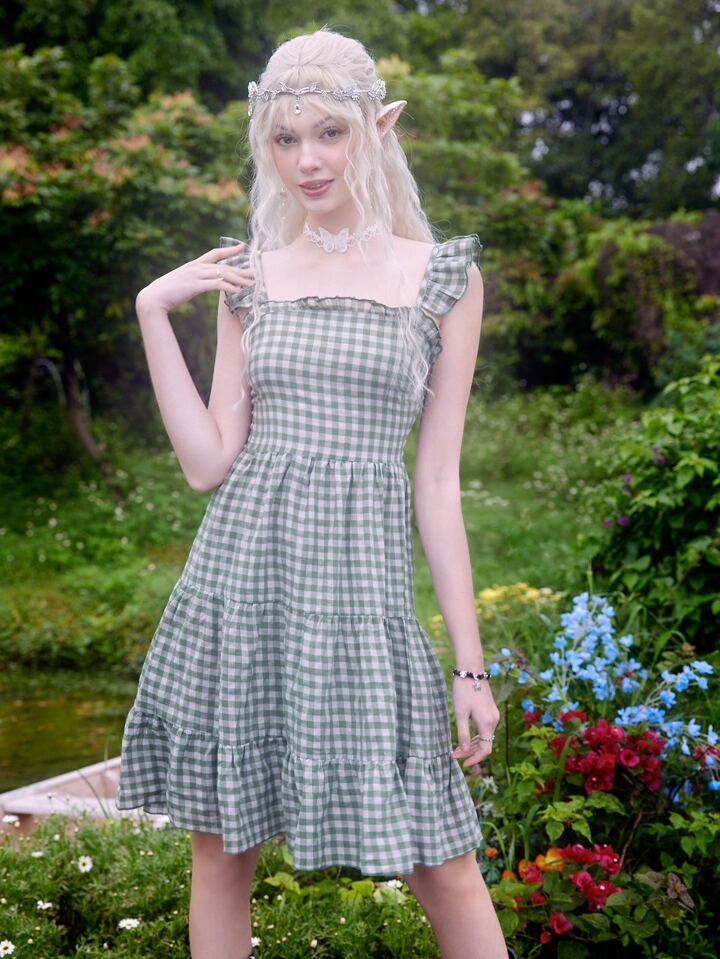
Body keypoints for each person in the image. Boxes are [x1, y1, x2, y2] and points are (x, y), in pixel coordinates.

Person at [115, 26, 515, 959]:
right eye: (286, 138)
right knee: (221, 851)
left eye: (329, 133)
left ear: (380, 126)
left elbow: (437, 480)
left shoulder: (444, 278)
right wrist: (151, 312)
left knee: (444, 859)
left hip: (361, 601)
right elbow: (208, 463)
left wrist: (470, 667)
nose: (308, 160)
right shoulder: (249, 276)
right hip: (242, 590)